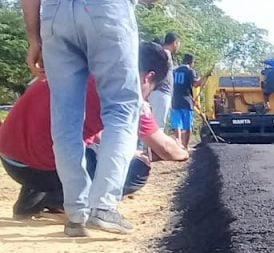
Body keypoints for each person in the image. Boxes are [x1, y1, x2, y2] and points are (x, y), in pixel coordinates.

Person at [0, 41, 189, 224]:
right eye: (151, 89)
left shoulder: (83, 69)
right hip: (41, 169)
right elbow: (166, 150)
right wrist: (184, 152)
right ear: (148, 77)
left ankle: (34, 196)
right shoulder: (125, 94)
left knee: (73, 144)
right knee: (138, 167)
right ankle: (57, 198)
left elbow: (91, 133)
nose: (146, 95)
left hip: (10, 160)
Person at [21, 0, 142, 236]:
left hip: (55, 14)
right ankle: (103, 207)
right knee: (121, 108)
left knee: (65, 116)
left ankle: (77, 214)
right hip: (106, 9)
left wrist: (34, 38)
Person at [170, 54, 209, 149]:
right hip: (187, 101)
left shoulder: (174, 71)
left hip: (175, 101)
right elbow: (196, 84)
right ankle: (185, 146)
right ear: (191, 62)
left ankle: (178, 145)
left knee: (177, 125)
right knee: (187, 126)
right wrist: (205, 77)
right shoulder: (190, 71)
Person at [151, 32, 182, 131]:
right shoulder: (165, 53)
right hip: (161, 92)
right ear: (175, 43)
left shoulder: (161, 53)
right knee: (158, 125)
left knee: (153, 124)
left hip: (158, 92)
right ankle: (154, 147)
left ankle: (147, 147)